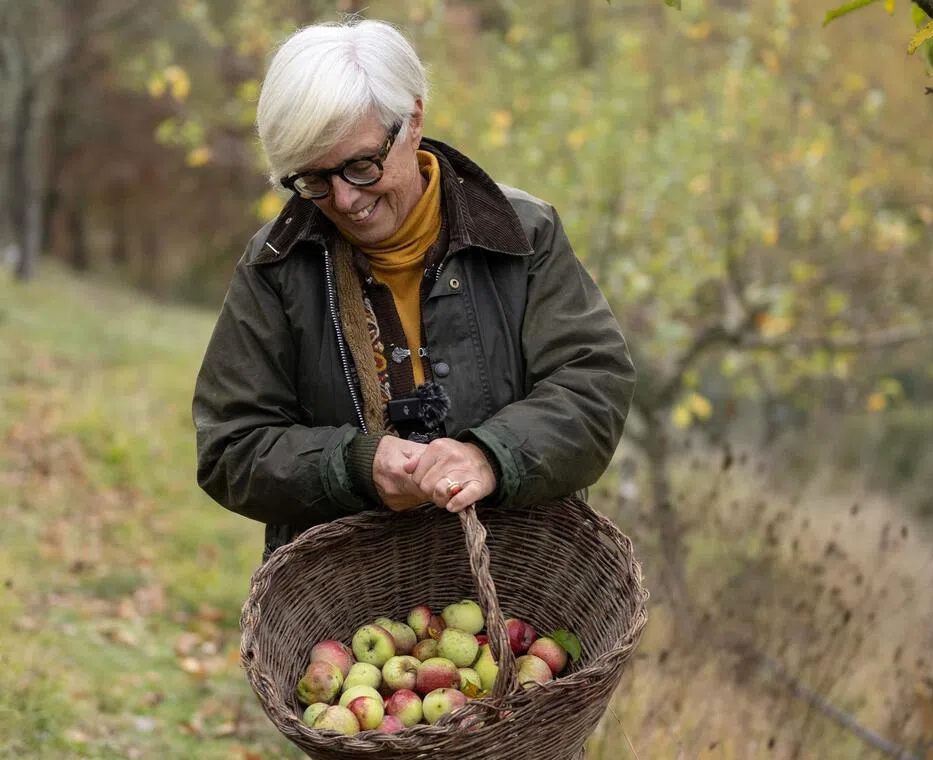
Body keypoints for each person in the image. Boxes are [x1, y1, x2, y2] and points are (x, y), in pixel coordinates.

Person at [192, 18, 636, 561]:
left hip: (520, 582)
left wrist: (489, 457)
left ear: (413, 121)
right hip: (344, 603)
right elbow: (230, 447)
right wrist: (354, 464)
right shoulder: (277, 266)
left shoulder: (523, 234)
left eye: (360, 166)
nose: (345, 200)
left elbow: (593, 384)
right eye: (313, 180)